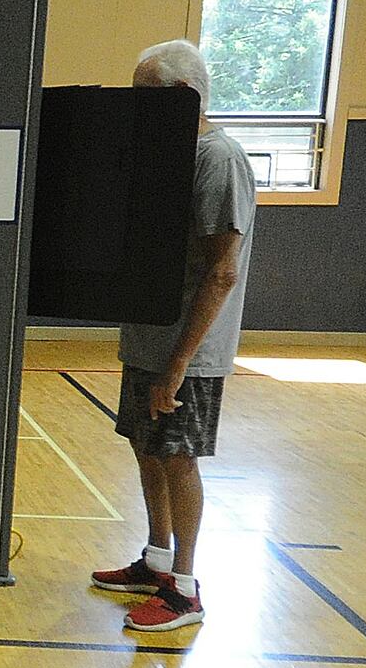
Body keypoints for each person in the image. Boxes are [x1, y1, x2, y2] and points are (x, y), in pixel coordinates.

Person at [91, 40, 256, 632]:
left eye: (146, 97)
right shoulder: (167, 158)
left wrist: (180, 363)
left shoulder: (218, 159)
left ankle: (184, 588)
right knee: (146, 446)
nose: (137, 109)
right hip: (150, 338)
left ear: (183, 99)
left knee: (179, 457)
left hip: (190, 350)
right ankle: (156, 560)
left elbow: (222, 269)